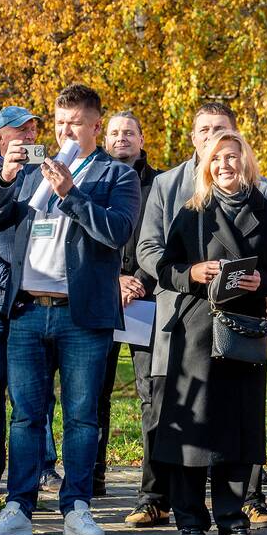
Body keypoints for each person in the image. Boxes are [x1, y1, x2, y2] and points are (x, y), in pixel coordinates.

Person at [0, 84, 140, 535]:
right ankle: (18, 507)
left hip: (81, 315)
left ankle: (77, 507)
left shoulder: (116, 175)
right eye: (59, 123)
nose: (65, 131)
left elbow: (116, 232)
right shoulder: (33, 168)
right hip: (28, 309)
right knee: (26, 415)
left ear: (95, 126)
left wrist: (71, 193)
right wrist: (5, 179)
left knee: (82, 415)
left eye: (75, 123)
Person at [136, 101, 267, 531]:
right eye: (216, 158)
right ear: (205, 163)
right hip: (196, 328)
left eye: (231, 156)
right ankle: (190, 517)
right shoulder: (191, 212)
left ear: (245, 160)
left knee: (236, 426)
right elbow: (163, 265)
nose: (224, 165)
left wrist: (263, 281)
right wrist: (192, 274)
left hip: (242, 330)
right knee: (191, 427)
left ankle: (233, 516)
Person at [0, 107, 62, 497]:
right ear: (0, 138)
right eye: (20, 130)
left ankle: (44, 466)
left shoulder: (48, 174)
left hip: (32, 298)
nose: (29, 136)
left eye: (34, 129)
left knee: (39, 390)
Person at [93, 111, 165, 511]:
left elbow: (165, 240)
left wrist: (137, 280)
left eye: (129, 132)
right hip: (100, 297)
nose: (121, 138)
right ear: (105, 139)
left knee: (150, 393)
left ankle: (151, 489)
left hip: (145, 299)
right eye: (114, 132)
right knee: (92, 393)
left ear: (141, 139)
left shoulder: (160, 184)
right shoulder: (91, 179)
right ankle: (92, 478)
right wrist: (113, 280)